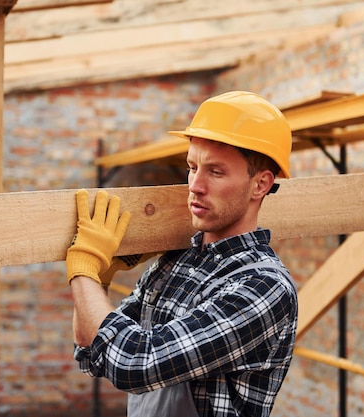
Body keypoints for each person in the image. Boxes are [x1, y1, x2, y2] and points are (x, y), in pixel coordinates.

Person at [66, 91, 298, 417]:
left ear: (260, 184)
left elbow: (134, 363)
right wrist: (101, 278)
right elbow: (93, 351)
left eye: (216, 172)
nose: (195, 185)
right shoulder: (176, 262)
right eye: (192, 167)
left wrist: (84, 270)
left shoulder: (263, 286)